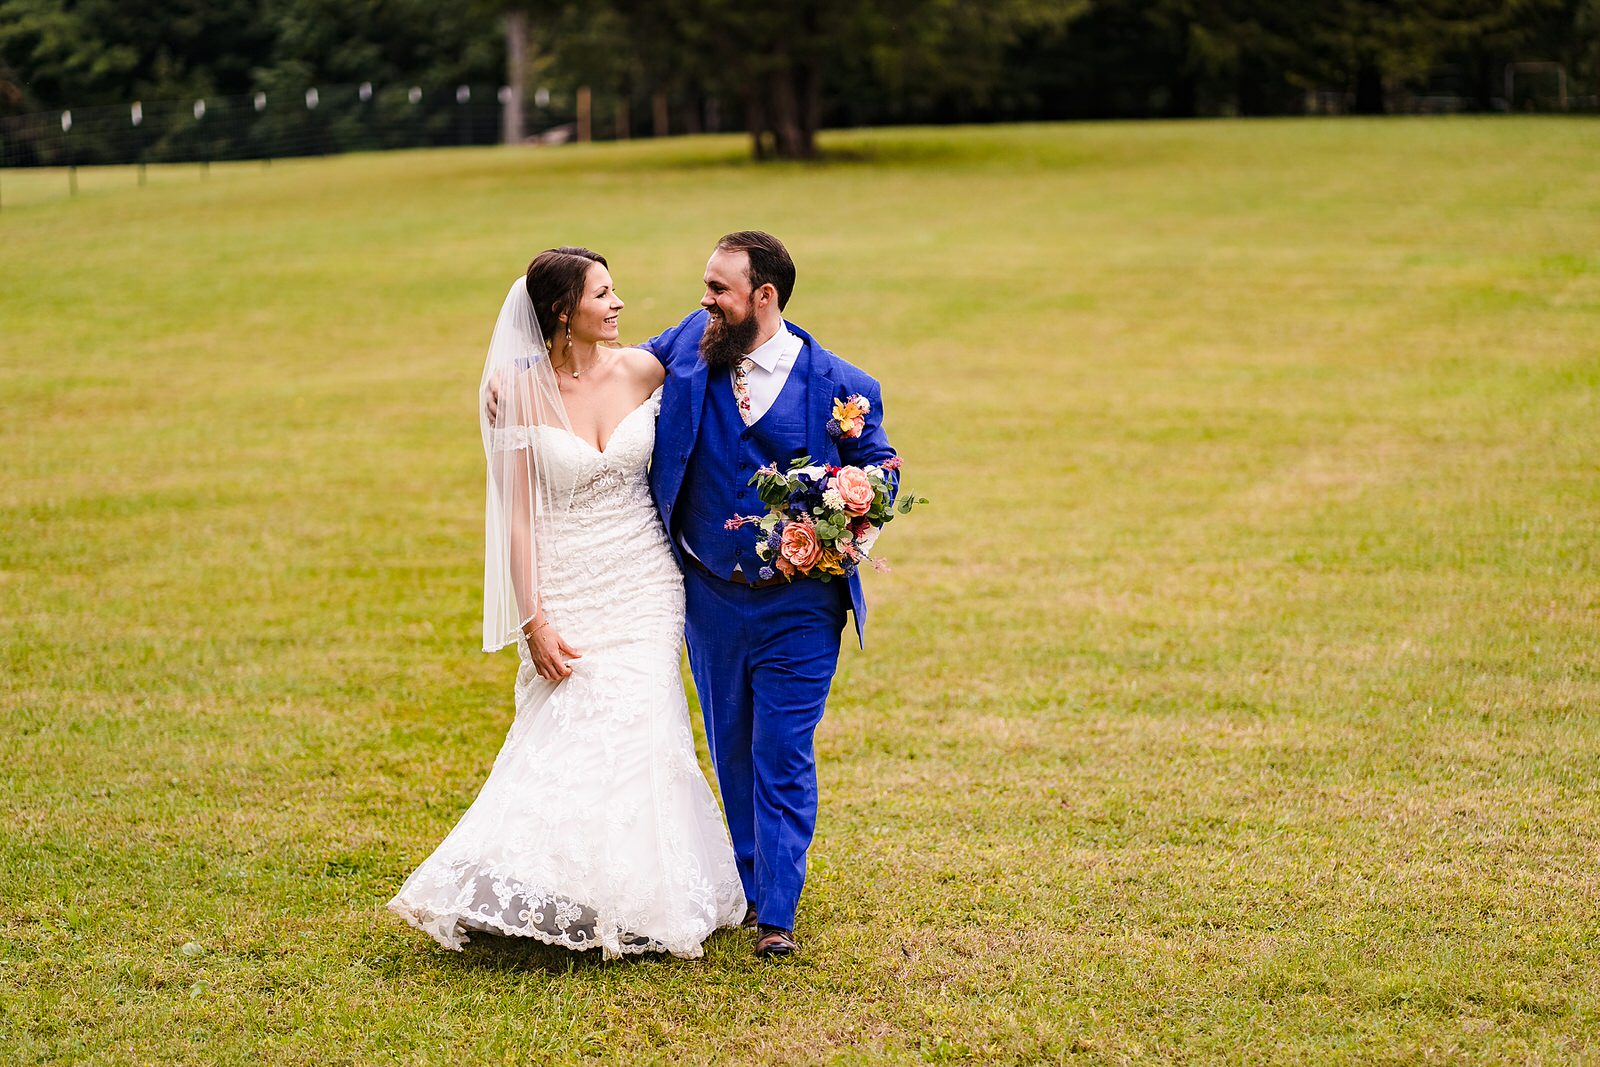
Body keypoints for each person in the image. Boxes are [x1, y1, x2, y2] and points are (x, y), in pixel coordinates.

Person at [387, 247, 746, 959]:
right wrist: (533, 617)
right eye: (603, 295)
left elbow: (708, 344)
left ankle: (645, 894)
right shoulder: (515, 393)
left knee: (641, 719)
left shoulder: (646, 370)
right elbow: (515, 517)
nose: (617, 305)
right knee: (569, 727)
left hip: (644, 578)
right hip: (567, 580)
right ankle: (537, 877)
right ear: (562, 312)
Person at [641, 231, 897, 958]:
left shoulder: (844, 386)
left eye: (719, 288)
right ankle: (752, 883)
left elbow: (882, 468)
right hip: (710, 596)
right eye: (705, 283)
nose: (704, 299)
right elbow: (618, 367)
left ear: (764, 296)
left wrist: (851, 510)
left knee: (782, 748)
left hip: (800, 606)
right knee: (731, 745)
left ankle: (776, 911)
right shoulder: (693, 341)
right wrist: (538, 369)